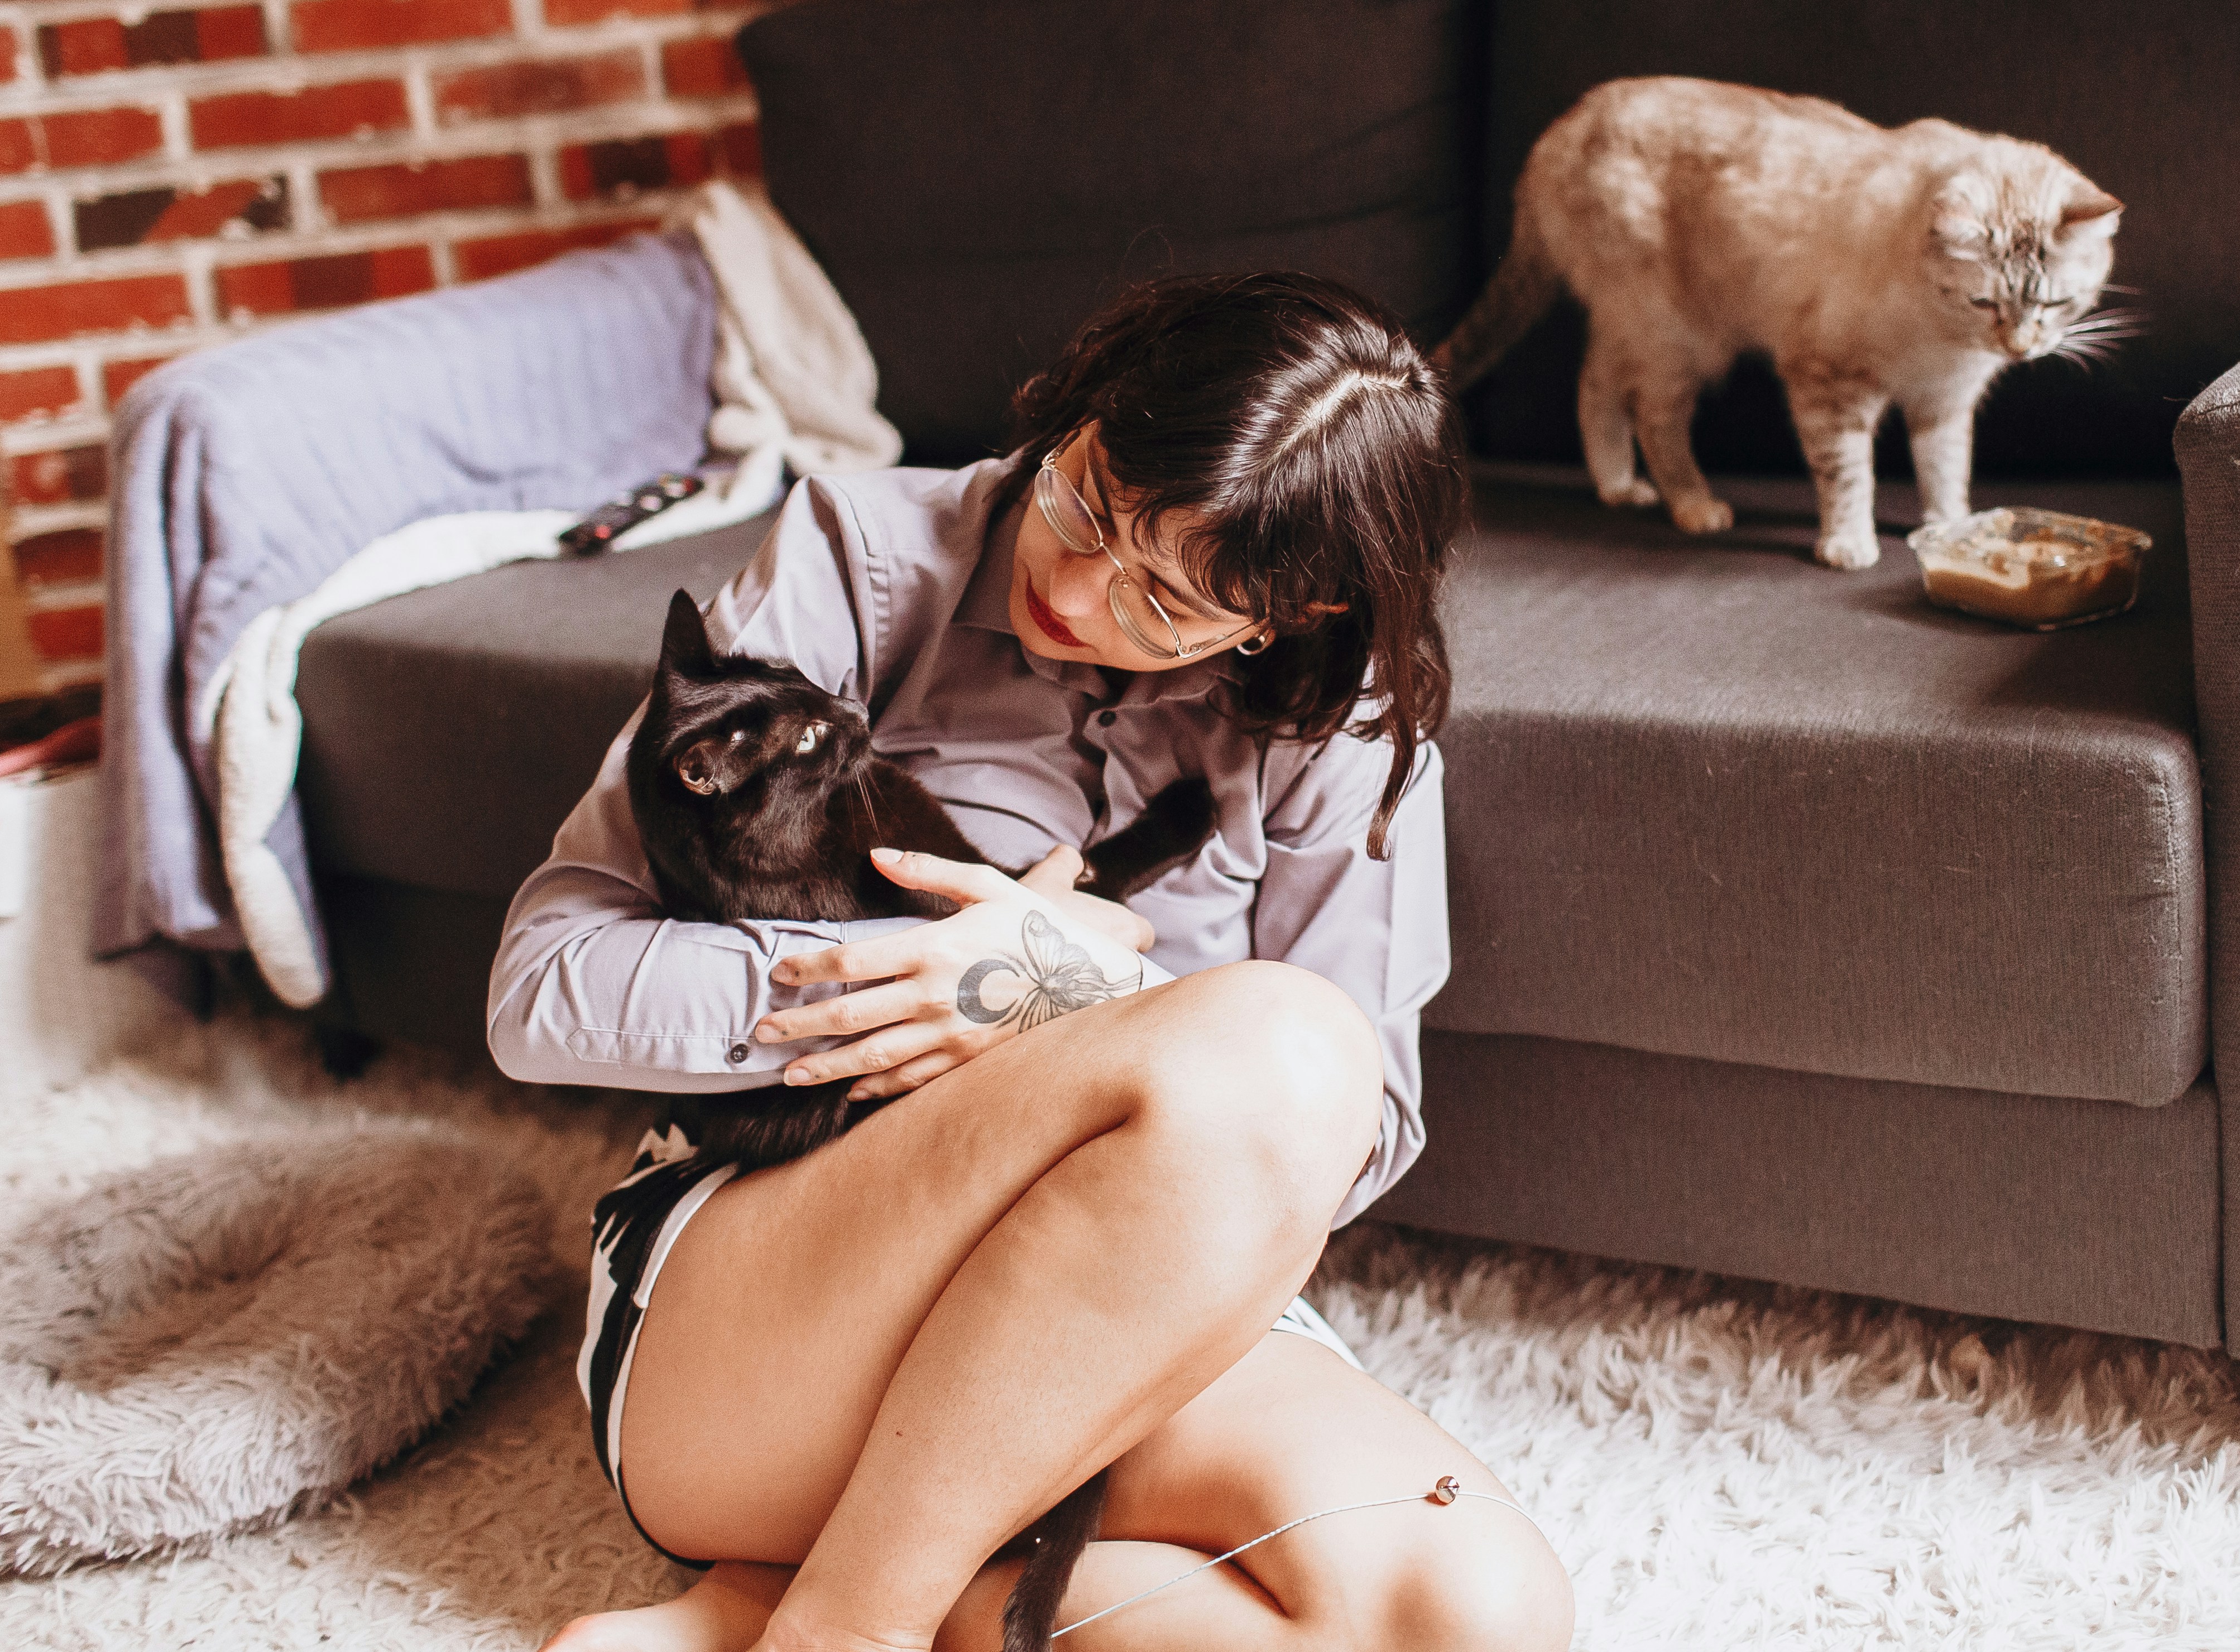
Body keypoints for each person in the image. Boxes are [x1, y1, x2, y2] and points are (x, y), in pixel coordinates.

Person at [489, 271, 1577, 1652]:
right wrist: (941, 981)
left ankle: (763, 1607)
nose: (1071, 585)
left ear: (1282, 619)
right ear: (1088, 407)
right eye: (1086, 500)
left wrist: (1080, 1003)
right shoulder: (864, 552)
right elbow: (541, 989)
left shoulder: (1343, 725)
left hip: (1093, 1341)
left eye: (1164, 598)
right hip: (765, 1316)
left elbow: (1363, 1127)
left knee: (1480, 1616)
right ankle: (850, 1629)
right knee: (1290, 1042)